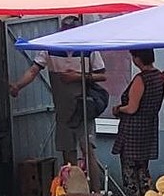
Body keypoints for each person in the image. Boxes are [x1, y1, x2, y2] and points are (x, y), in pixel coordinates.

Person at [10, 16, 106, 187]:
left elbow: (102, 75)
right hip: (63, 111)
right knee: (68, 155)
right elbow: (33, 71)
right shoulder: (49, 49)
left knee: (88, 151)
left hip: (84, 109)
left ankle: (96, 195)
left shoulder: (88, 49)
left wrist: (77, 76)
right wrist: (18, 85)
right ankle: (73, 194)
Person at [111, 49, 164, 196]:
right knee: (143, 171)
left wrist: (118, 109)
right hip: (148, 128)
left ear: (138, 59)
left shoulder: (141, 79)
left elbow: (132, 107)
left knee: (130, 174)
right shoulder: (159, 77)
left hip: (133, 129)